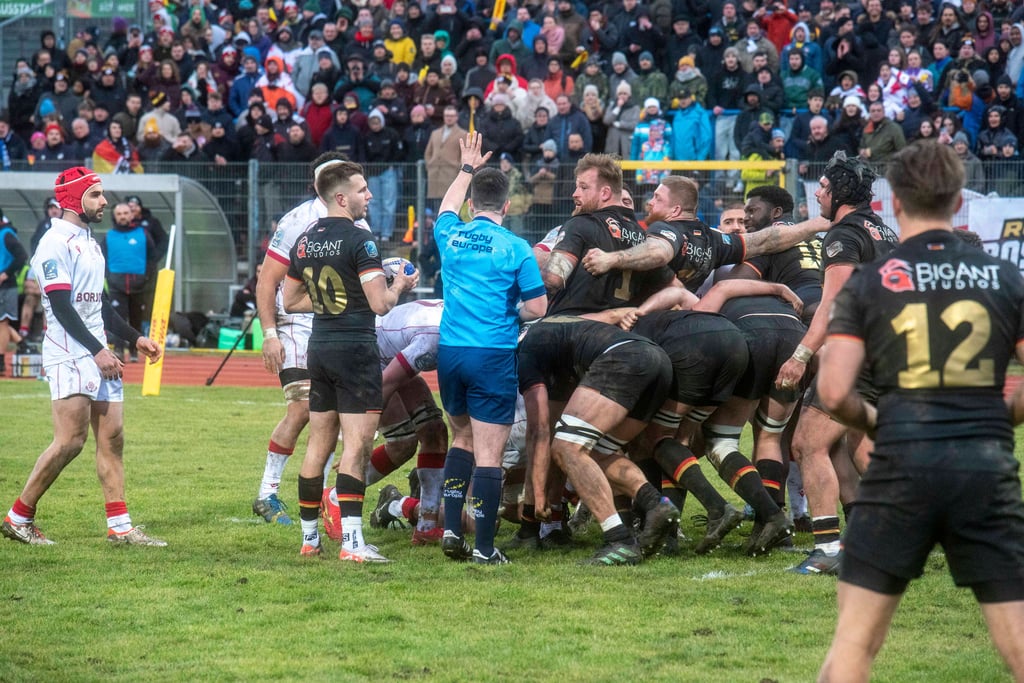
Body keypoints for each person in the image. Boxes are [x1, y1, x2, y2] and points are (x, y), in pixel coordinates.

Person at [816, 140, 1024, 682]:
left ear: (895, 204)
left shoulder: (869, 282)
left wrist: (879, 423)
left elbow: (835, 392)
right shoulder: (1005, 279)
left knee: (853, 650)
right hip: (984, 466)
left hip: (900, 468)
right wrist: (1005, 416)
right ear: (959, 203)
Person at [1, 167, 164, 547]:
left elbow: (99, 305)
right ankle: (18, 517)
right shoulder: (53, 242)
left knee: (113, 438)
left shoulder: (89, 241)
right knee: (70, 441)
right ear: (74, 200)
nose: (105, 201)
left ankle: (121, 528)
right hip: (70, 351)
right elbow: (60, 305)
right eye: (95, 194)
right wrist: (98, 351)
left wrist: (135, 338)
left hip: (98, 349)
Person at [281, 159, 418, 562]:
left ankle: (309, 541)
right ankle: (354, 545)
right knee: (357, 446)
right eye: (361, 190)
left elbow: (289, 301)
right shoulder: (361, 240)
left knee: (318, 444)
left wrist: (334, 303)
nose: (369, 195)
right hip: (355, 351)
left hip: (319, 347)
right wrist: (400, 285)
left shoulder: (305, 240)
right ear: (341, 197)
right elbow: (381, 304)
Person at [779, 151, 898, 576]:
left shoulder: (842, 234)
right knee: (860, 447)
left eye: (825, 188)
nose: (818, 194)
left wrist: (800, 355)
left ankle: (828, 551)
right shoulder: (884, 230)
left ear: (841, 193)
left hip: (858, 354)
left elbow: (832, 304)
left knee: (807, 445)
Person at [433, 131, 547, 565]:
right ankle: (482, 547)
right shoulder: (516, 247)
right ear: (507, 206)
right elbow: (537, 306)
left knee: (460, 435)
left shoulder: (451, 234)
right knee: (490, 454)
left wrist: (466, 167)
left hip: (450, 352)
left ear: (470, 206)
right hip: (492, 353)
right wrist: (511, 315)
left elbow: (445, 208)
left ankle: (449, 528)